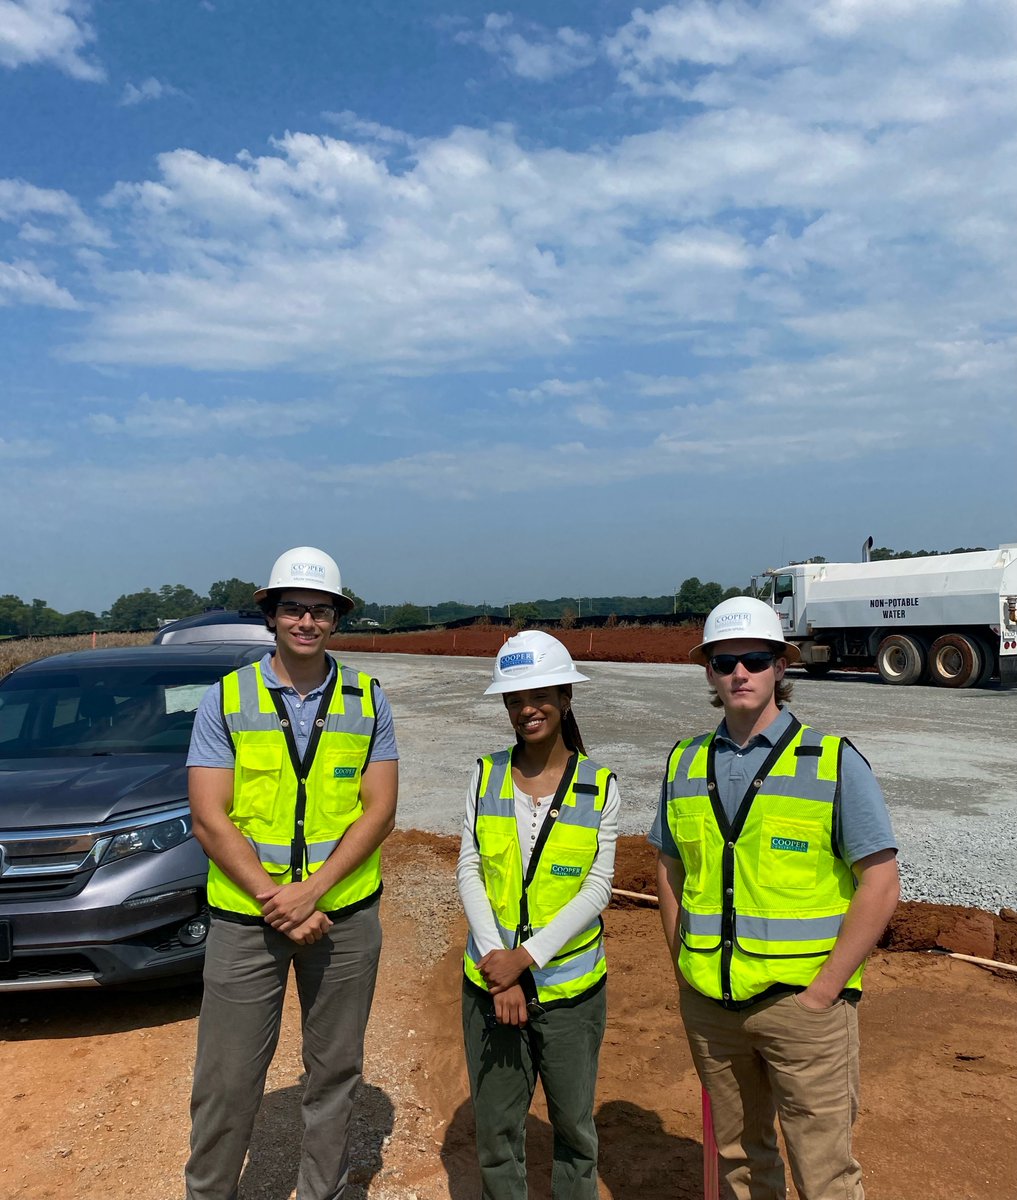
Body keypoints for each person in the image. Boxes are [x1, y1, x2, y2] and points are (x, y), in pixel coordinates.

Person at [650, 597, 899, 1200]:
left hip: (804, 1010)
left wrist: (824, 991)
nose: (741, 672)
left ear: (781, 666)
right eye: (725, 660)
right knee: (739, 1163)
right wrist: (685, 964)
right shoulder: (684, 763)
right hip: (712, 1005)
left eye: (755, 659)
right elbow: (670, 868)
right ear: (708, 670)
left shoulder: (832, 761)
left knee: (825, 1173)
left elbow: (881, 881)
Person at [184, 547, 398, 1200]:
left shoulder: (367, 698)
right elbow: (209, 818)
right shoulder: (227, 698)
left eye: (320, 609)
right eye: (294, 608)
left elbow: (379, 810)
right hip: (248, 921)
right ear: (272, 615)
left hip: (344, 918)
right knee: (225, 1081)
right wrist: (278, 899)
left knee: (333, 1074)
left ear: (337, 618)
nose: (307, 620)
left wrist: (313, 893)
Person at [456, 630, 620, 1200]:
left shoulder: (599, 784)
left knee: (574, 1129)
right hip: (490, 983)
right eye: (514, 698)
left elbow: (597, 888)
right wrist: (498, 965)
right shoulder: (484, 774)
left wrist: (527, 958)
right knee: (498, 1132)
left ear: (566, 698)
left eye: (541, 694)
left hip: (569, 991)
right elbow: (470, 871)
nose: (526, 708)